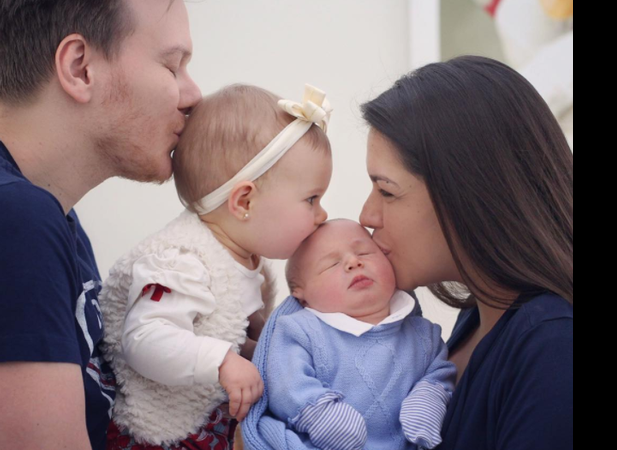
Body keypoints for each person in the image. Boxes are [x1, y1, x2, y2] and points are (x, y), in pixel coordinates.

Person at [0, 1, 202, 449]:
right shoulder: (18, 219)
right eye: (173, 67)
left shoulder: (57, 219)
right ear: (80, 68)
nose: (194, 95)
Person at [359, 55, 574, 450]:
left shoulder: (554, 344)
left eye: (387, 191)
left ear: (468, 192)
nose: (367, 215)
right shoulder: (475, 321)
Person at [100, 84, 333, 449]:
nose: (322, 215)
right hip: (159, 437)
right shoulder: (182, 261)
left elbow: (227, 330)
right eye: (312, 199)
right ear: (244, 201)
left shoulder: (239, 258)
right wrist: (223, 361)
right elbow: (144, 339)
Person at [254, 219, 455, 450]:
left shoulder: (423, 334)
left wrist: (429, 397)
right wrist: (319, 412)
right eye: (331, 264)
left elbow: (441, 371)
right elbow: (285, 382)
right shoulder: (300, 330)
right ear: (301, 293)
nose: (353, 262)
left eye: (365, 252)